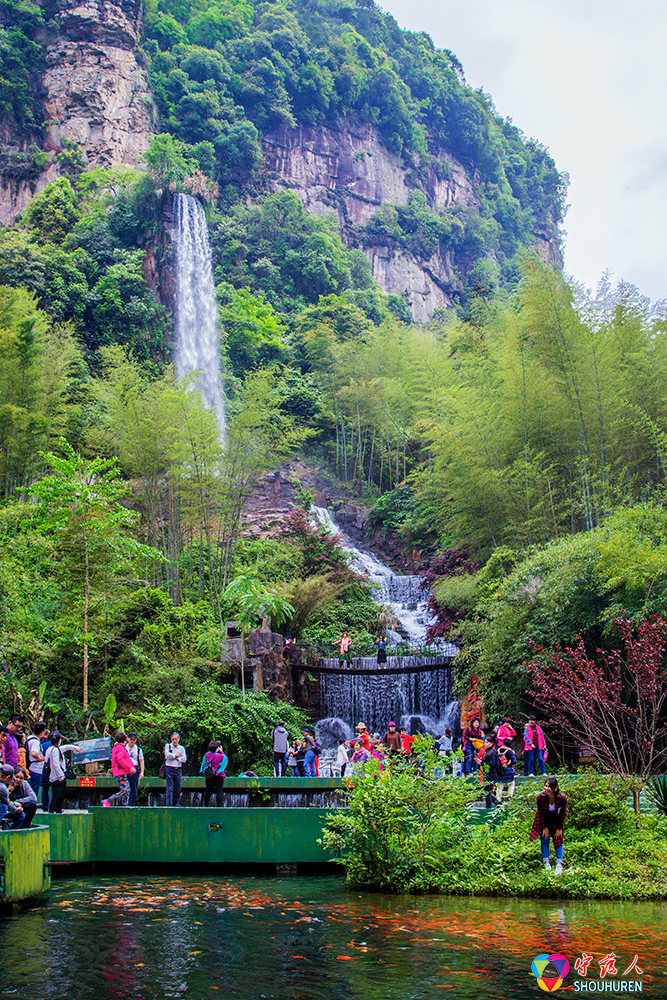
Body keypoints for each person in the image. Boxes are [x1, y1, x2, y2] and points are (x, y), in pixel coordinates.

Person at [529, 776, 567, 876]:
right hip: (544, 819)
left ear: (555, 788)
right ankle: (547, 863)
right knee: (544, 839)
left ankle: (559, 864)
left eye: (549, 787)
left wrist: (559, 828)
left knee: (558, 839)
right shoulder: (540, 798)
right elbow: (540, 813)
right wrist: (544, 828)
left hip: (556, 820)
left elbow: (563, 813)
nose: (546, 789)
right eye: (545, 786)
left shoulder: (562, 798)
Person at [44, 732, 81, 814]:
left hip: (54, 776)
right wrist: (61, 776)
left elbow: (65, 748)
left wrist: (74, 747)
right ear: (59, 740)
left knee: (60, 794)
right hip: (57, 776)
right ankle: (52, 810)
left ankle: (58, 810)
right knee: (57, 795)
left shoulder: (52, 749)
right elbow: (55, 764)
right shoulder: (55, 750)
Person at [103, 731, 136, 807]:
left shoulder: (118, 747)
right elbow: (120, 760)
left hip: (122, 772)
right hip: (119, 772)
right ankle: (108, 800)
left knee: (127, 791)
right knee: (125, 790)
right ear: (124, 741)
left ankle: (124, 805)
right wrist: (129, 767)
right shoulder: (120, 748)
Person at [200, 741, 227, 806]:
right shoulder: (220, 756)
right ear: (216, 748)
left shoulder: (206, 755)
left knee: (208, 791)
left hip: (209, 776)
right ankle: (219, 807)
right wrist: (221, 751)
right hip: (218, 776)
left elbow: (203, 763)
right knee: (219, 792)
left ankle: (205, 805)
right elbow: (225, 759)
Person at [164, 732, 187, 806]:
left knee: (177, 788)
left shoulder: (181, 748)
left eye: (176, 739)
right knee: (169, 788)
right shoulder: (168, 746)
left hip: (178, 769)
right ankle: (169, 805)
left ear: (178, 739)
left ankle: (176, 804)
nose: (174, 741)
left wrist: (175, 757)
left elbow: (184, 759)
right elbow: (167, 755)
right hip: (169, 768)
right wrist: (177, 756)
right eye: (173, 739)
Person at [26, 722, 47, 797]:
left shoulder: (29, 738)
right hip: (35, 769)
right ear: (42, 732)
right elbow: (33, 753)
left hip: (30, 767)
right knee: (33, 792)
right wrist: (41, 759)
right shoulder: (35, 741)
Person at [126, 732, 145, 807]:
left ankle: (132, 806)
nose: (132, 741)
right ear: (128, 739)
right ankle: (125, 805)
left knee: (134, 789)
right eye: (131, 739)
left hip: (134, 768)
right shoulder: (124, 748)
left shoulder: (138, 749)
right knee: (125, 789)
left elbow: (141, 760)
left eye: (134, 739)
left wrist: (142, 772)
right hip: (126, 769)